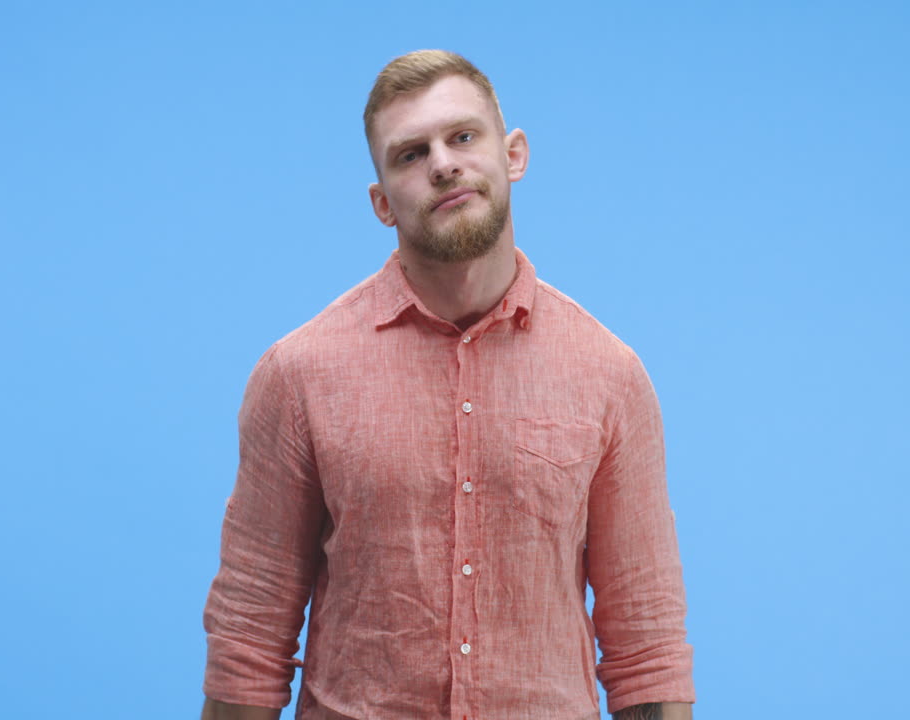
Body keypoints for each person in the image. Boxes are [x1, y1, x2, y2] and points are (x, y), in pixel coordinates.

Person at [201, 50, 694, 720]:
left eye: (463, 136)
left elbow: (645, 644)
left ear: (513, 154)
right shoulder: (298, 374)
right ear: (381, 203)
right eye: (410, 154)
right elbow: (249, 636)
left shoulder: (609, 375)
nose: (442, 163)